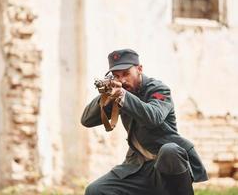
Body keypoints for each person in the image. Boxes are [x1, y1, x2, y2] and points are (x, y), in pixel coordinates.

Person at [81, 49, 208, 195]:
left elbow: (153, 117)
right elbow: (86, 120)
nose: (122, 80)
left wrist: (123, 95)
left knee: (170, 150)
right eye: (117, 76)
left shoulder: (158, 89)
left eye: (126, 74)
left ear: (139, 69)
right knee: (95, 190)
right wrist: (106, 96)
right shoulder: (120, 93)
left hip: (167, 165)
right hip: (138, 166)